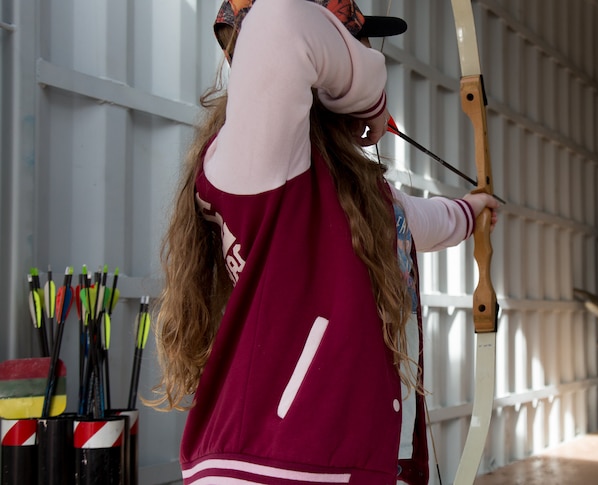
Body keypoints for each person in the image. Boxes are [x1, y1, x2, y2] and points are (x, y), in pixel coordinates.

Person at [149, 0, 499, 483]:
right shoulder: (258, 161)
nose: (364, 56)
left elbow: (412, 220)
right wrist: (370, 100)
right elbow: (280, 22)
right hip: (277, 463)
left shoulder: (342, 190)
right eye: (354, 42)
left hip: (333, 461)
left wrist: (471, 212)